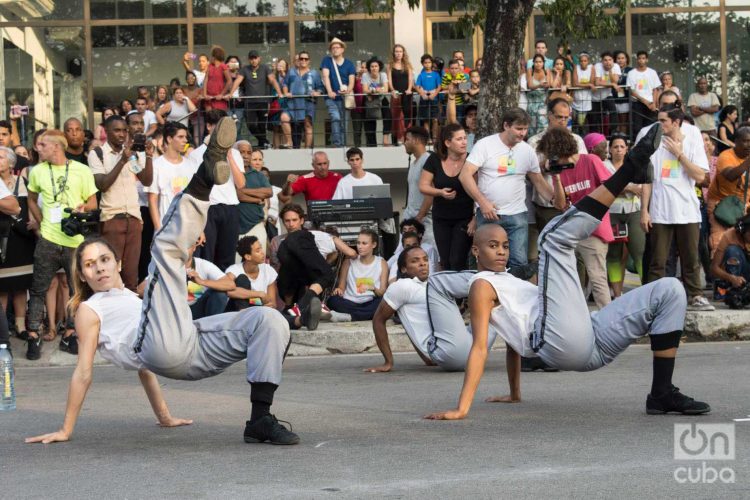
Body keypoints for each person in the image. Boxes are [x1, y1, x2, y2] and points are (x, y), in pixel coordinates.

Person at [26, 117, 300, 445]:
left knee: (269, 320)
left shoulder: (133, 296)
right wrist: (65, 429)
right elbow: (84, 371)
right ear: (81, 275)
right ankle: (205, 175)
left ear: (116, 263)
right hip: (159, 348)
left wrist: (164, 416)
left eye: (103, 260)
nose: (98, 268)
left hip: (191, 346)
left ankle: (260, 419)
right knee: (164, 254)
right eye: (89, 265)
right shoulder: (89, 309)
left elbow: (145, 372)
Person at [423, 127, 710, 420]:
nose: (501, 252)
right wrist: (462, 408)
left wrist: (514, 393)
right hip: (558, 343)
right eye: (493, 246)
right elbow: (480, 348)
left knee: (669, 290)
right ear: (476, 252)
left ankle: (661, 393)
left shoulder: (507, 280)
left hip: (589, 338)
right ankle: (628, 171)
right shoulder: (480, 285)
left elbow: (512, 339)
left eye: (505, 246)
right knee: (552, 239)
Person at [26, 129, 98, 360]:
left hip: (74, 240)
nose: (39, 148)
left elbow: (93, 202)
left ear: (56, 147)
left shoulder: (82, 170)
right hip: (47, 238)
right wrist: (40, 221)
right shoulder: (37, 171)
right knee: (38, 288)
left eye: (43, 145)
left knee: (77, 289)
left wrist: (82, 209)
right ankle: (33, 333)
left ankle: (71, 332)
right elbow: (30, 198)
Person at [459, 108, 555, 270]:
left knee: (519, 264)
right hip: (489, 213)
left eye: (525, 129)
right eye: (518, 128)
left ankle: (512, 296)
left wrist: (557, 199)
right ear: (506, 125)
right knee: (485, 262)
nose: (522, 133)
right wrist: (482, 203)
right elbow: (464, 175)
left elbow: (538, 182)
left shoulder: (527, 150)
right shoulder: (485, 144)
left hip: (517, 215)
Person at [641, 107, 713, 311]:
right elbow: (648, 179)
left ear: (676, 122)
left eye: (663, 121)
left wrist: (679, 154)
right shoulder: (655, 141)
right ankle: (653, 300)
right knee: (658, 260)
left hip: (687, 210)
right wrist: (644, 211)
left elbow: (700, 177)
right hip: (660, 210)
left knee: (691, 257)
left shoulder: (692, 140)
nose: (659, 124)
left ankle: (695, 295)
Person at [541, 130, 614, 309]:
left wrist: (591, 207)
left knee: (597, 278)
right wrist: (556, 178)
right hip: (573, 229)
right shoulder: (562, 170)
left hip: (593, 230)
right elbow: (560, 205)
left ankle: (609, 319)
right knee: (570, 277)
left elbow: (611, 188)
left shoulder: (590, 161)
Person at [88, 115, 154, 292]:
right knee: (111, 275)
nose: (122, 134)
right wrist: (122, 160)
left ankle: (130, 317)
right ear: (107, 132)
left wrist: (148, 156)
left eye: (125, 130)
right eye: (117, 130)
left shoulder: (131, 153)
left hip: (133, 218)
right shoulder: (98, 154)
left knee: (131, 275)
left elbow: (146, 180)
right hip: (111, 218)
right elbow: (102, 184)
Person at [363, 246, 437, 373]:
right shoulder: (403, 286)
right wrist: (388, 362)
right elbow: (378, 320)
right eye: (415, 261)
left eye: (425, 259)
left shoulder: (436, 283)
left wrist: (426, 356)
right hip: (447, 351)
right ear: (403, 268)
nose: (422, 263)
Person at [188, 110, 245, 271]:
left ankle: (224, 293)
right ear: (208, 127)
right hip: (208, 209)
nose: (222, 132)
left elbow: (241, 184)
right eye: (218, 127)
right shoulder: (196, 155)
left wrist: (229, 157)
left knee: (227, 256)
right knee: (206, 256)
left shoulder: (234, 153)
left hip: (230, 207)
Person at [528, 98, 588, 234]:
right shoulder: (534, 141)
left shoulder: (577, 140)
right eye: (559, 117)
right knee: (547, 246)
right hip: (547, 204)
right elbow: (529, 174)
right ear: (549, 115)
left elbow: (583, 168)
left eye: (566, 118)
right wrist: (545, 165)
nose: (562, 121)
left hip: (574, 203)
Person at [419, 123, 474, 271]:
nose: (464, 142)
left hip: (464, 218)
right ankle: (450, 292)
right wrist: (440, 192)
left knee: (457, 259)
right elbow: (423, 186)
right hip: (441, 218)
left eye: (465, 138)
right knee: (445, 260)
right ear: (448, 143)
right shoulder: (434, 160)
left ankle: (460, 292)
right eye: (459, 139)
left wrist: (475, 219)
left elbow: (480, 191)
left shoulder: (471, 160)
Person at [275, 204, 335, 330]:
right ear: (283, 222)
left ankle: (299, 316)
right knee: (327, 274)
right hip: (299, 242)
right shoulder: (301, 236)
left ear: (302, 220)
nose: (291, 224)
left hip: (293, 289)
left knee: (286, 317)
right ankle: (302, 306)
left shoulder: (280, 243)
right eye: (287, 221)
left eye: (294, 220)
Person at [605, 134, 645, 297]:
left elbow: (641, 188)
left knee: (639, 252)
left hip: (633, 211)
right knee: (613, 254)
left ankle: (646, 292)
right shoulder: (603, 165)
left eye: (622, 146)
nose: (619, 150)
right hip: (612, 212)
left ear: (627, 148)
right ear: (610, 149)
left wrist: (620, 188)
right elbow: (605, 187)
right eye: (615, 147)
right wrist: (628, 188)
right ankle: (617, 294)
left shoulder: (634, 165)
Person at [0, 147, 31, 339]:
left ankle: (21, 327)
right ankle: (3, 328)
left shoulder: (21, 182)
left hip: (20, 237)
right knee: (1, 287)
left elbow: (23, 208)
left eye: (1, 157)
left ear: (11, 163)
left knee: (20, 284)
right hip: (1, 237)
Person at [327, 228, 388, 322]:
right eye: (358, 243)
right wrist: (339, 290)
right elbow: (341, 287)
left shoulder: (381, 262)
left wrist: (372, 288)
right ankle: (362, 315)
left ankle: (349, 317)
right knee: (332, 300)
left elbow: (382, 292)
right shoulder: (348, 261)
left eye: (364, 243)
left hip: (369, 302)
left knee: (384, 301)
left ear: (374, 245)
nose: (359, 246)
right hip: (349, 302)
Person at [706, 126, 750, 252]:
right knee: (719, 244)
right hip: (721, 206)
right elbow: (730, 176)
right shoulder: (725, 156)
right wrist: (747, 162)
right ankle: (717, 269)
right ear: (735, 141)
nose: (748, 145)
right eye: (745, 141)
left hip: (743, 206)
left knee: (743, 245)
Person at [147, 123, 198, 230]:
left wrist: (199, 228)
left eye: (186, 137)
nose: (185, 140)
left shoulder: (191, 165)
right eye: (180, 137)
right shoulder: (156, 165)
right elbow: (152, 199)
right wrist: (158, 229)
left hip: (190, 226)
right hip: (167, 227)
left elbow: (195, 198)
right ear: (169, 139)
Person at [229, 50, 284, 149]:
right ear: (249, 59)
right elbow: (238, 80)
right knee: (251, 125)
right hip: (250, 103)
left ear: (259, 58)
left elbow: (272, 80)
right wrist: (231, 93)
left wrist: (279, 93)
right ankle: (265, 141)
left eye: (255, 58)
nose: (253, 60)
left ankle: (263, 145)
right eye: (251, 58)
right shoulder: (245, 69)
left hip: (263, 102)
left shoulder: (265, 68)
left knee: (262, 126)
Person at [283, 50, 324, 149]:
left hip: (308, 103)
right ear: (298, 60)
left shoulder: (314, 73)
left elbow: (321, 88)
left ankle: (306, 150)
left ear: (309, 61)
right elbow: (285, 84)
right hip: (293, 103)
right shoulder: (291, 72)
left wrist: (317, 92)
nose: (303, 60)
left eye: (306, 59)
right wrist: (286, 92)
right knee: (284, 118)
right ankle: (289, 142)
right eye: (301, 58)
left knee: (308, 125)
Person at [225, 235, 278, 310]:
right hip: (234, 311)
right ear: (248, 257)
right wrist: (259, 294)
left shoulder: (268, 270)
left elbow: (272, 303)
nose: (262, 253)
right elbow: (227, 291)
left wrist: (250, 299)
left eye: (261, 248)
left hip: (258, 311)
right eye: (257, 251)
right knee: (242, 279)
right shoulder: (233, 270)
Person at [320, 38, 356, 147]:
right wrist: (330, 91)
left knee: (344, 123)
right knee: (335, 117)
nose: (335, 49)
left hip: (345, 98)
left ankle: (343, 145)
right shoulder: (327, 60)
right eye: (333, 48)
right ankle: (337, 144)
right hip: (331, 98)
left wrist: (347, 90)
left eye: (337, 47)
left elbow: (351, 81)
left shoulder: (349, 64)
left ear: (342, 49)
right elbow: (325, 76)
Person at [402, 126, 435, 243]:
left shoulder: (428, 160)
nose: (404, 143)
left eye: (407, 139)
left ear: (416, 140)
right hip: (411, 220)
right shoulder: (414, 163)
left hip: (423, 222)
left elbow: (430, 192)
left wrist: (419, 218)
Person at [237, 145, 272, 252]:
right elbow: (237, 195)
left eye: (248, 153)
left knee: (259, 262)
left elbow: (269, 192)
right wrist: (257, 199)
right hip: (235, 228)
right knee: (236, 265)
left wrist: (243, 191)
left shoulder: (259, 175)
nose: (245, 155)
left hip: (257, 225)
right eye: (242, 152)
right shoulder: (230, 173)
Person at [709, 214, 750, 293]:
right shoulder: (729, 236)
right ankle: (733, 289)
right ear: (743, 230)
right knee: (732, 251)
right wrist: (732, 278)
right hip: (733, 276)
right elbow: (713, 268)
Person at [626, 51, 661, 139]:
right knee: (637, 128)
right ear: (637, 60)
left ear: (647, 60)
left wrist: (654, 103)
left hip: (651, 104)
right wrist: (645, 101)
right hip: (637, 103)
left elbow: (655, 89)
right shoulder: (632, 73)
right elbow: (631, 91)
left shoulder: (652, 72)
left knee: (650, 127)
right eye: (639, 58)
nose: (641, 60)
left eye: (643, 58)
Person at [388, 44, 414, 146]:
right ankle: (398, 138)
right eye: (396, 51)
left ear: (403, 53)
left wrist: (409, 89)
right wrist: (393, 90)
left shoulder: (408, 65)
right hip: (396, 94)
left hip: (406, 94)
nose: (398, 53)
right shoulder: (390, 65)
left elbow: (410, 79)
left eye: (400, 51)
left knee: (407, 116)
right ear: (394, 53)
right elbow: (389, 80)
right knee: (397, 116)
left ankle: (407, 137)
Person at [361, 58, 391, 147]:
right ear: (369, 68)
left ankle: (385, 139)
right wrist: (376, 90)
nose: (374, 68)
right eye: (372, 66)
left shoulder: (383, 75)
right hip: (369, 100)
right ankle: (372, 145)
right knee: (370, 122)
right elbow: (364, 90)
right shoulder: (365, 75)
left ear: (379, 67)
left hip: (381, 99)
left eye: (376, 66)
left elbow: (386, 89)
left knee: (388, 116)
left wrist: (372, 91)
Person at [591, 51, 621, 135]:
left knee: (613, 112)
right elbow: (597, 83)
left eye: (610, 60)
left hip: (607, 95)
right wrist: (611, 84)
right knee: (594, 119)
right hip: (594, 97)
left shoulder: (616, 66)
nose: (608, 62)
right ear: (602, 61)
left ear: (613, 60)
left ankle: (613, 132)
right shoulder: (597, 66)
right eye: (605, 60)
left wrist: (610, 70)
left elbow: (615, 81)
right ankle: (595, 137)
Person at [415, 54, 441, 144]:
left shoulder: (436, 74)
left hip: (434, 99)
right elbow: (417, 86)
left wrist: (434, 94)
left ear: (432, 63)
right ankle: (428, 138)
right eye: (425, 63)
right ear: (422, 64)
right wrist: (422, 94)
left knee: (435, 119)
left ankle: (434, 138)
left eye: (429, 62)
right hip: (424, 99)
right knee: (426, 120)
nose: (427, 64)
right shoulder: (421, 75)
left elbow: (439, 86)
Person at [571, 52, 596, 135]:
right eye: (581, 61)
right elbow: (575, 83)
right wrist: (588, 84)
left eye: (585, 61)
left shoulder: (591, 68)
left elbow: (592, 82)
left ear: (588, 61)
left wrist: (586, 84)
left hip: (586, 101)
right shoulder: (576, 67)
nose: (583, 62)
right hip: (575, 101)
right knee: (574, 123)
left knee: (581, 123)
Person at [525, 55, 550, 137]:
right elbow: (530, 85)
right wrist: (540, 85)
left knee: (543, 125)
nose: (538, 64)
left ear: (543, 63)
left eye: (540, 62)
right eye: (536, 62)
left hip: (543, 103)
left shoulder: (547, 71)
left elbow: (549, 84)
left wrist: (546, 86)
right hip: (532, 103)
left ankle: (543, 143)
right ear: (533, 63)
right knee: (532, 126)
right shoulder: (530, 71)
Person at [613, 50, 632, 135]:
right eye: (618, 58)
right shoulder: (612, 69)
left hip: (625, 99)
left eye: (622, 58)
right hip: (613, 99)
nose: (620, 60)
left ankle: (623, 138)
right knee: (614, 122)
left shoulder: (630, 70)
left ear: (626, 60)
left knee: (623, 121)